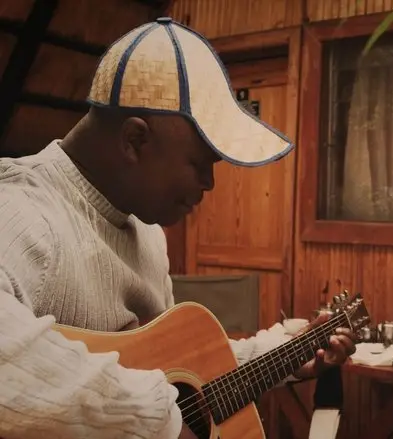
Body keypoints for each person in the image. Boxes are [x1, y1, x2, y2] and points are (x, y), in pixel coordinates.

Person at [0, 17, 355, 439]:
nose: (210, 183)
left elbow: (178, 370)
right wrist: (158, 420)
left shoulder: (148, 231)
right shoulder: (22, 210)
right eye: (199, 162)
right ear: (135, 140)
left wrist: (286, 356)